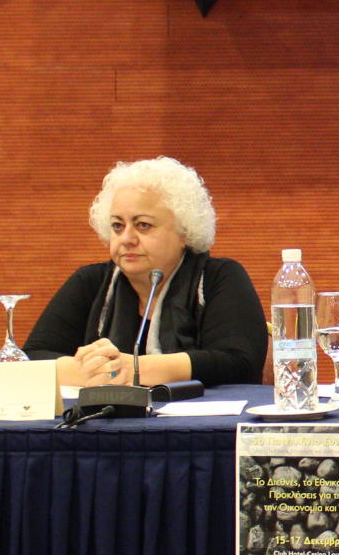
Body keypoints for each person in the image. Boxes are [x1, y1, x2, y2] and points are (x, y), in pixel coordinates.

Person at [24, 156, 265, 388]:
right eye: (118, 226)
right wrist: (97, 370)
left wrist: (135, 368)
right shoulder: (91, 282)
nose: (126, 238)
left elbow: (240, 363)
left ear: (184, 231)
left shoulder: (218, 277)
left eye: (143, 225)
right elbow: (30, 360)